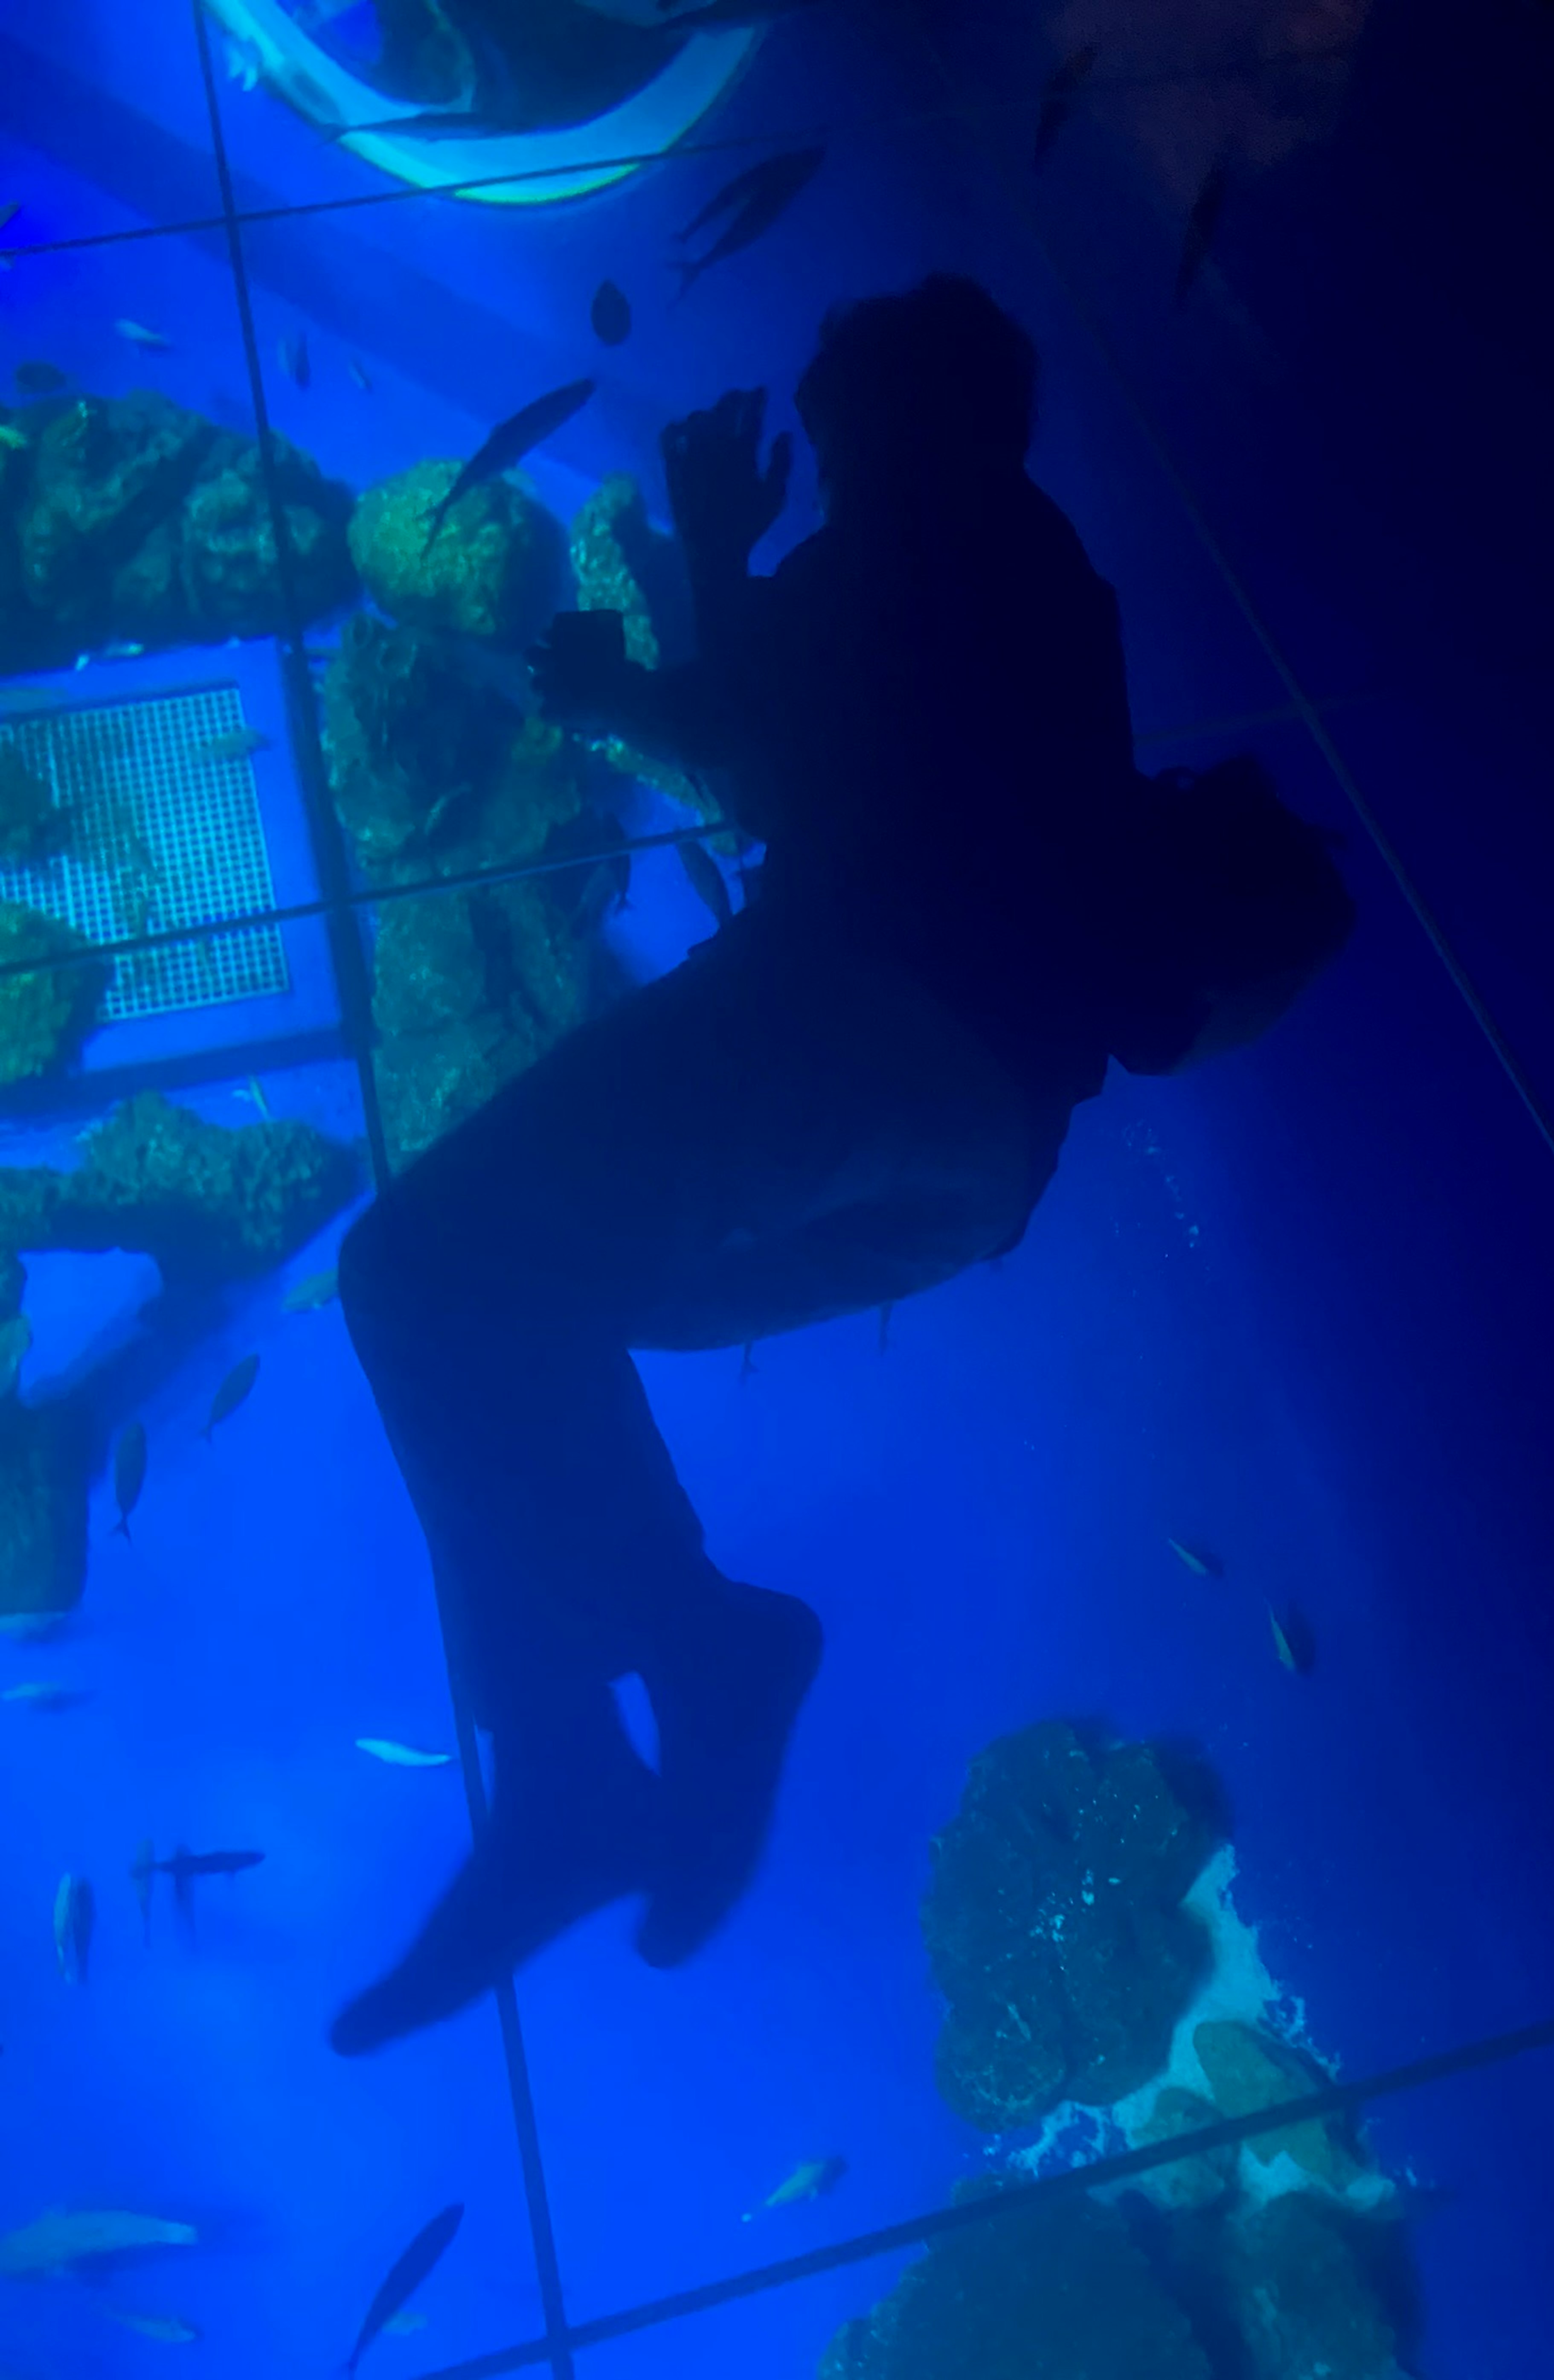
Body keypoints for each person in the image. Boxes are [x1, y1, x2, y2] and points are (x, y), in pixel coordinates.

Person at [329, 276, 1354, 2056]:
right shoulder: (1036, 575)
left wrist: (715, 560)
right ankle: (572, 1771)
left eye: (826, 409)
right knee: (514, 1327)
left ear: (890, 415)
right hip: (970, 1144)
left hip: (867, 1013)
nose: (809, 446)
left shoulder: (928, 539)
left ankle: (673, 1690)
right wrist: (698, 618)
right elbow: (797, 759)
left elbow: (762, 768)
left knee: (424, 1273)